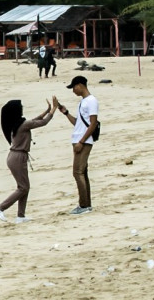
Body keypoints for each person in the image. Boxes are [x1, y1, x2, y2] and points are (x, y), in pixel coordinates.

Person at [0, 98, 56, 223]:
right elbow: (43, 122)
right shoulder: (22, 124)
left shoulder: (18, 123)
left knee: (24, 187)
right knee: (23, 188)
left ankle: (21, 216)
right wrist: (54, 109)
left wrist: (46, 110)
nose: (22, 108)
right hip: (18, 157)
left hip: (16, 157)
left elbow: (35, 120)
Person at [54, 76, 99, 215]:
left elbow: (93, 123)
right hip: (80, 139)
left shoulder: (91, 101)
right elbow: (78, 123)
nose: (73, 90)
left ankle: (84, 205)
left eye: (74, 87)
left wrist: (81, 141)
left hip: (83, 141)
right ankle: (86, 204)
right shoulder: (84, 102)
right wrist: (65, 113)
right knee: (82, 172)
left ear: (80, 85)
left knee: (77, 172)